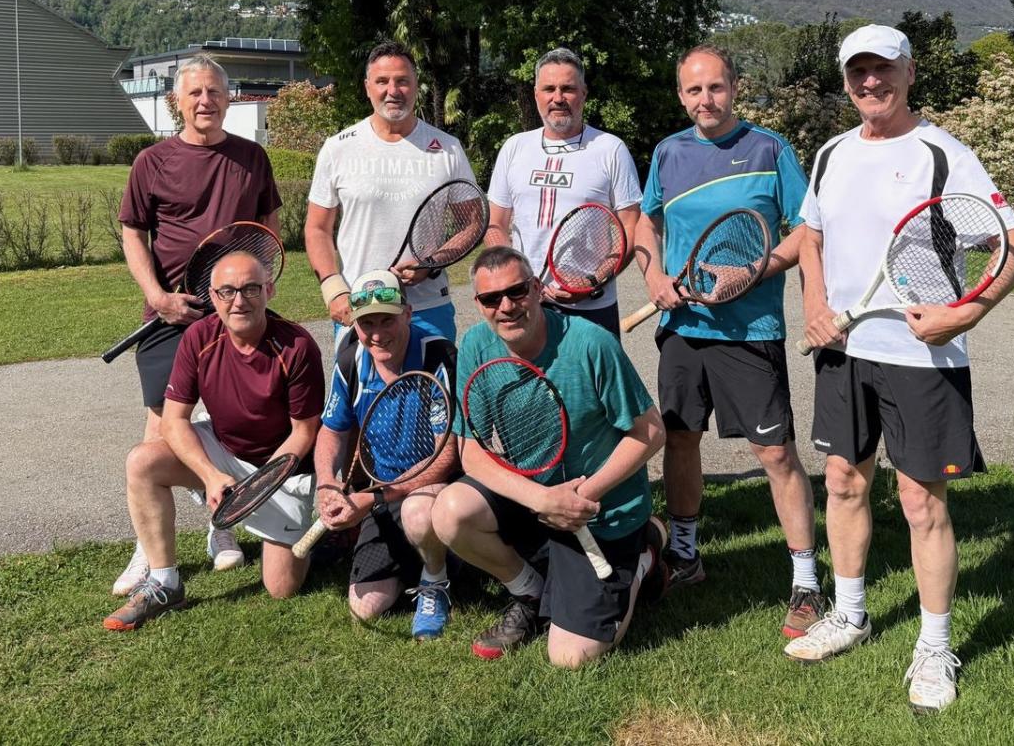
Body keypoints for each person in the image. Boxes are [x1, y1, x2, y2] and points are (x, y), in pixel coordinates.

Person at [784, 24, 1014, 713]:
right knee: (843, 482)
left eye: (884, 68)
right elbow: (811, 237)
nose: (872, 82)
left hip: (923, 358)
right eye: (858, 71)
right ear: (845, 80)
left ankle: (934, 645)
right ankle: (850, 613)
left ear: (910, 72)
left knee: (922, 502)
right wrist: (813, 302)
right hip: (844, 351)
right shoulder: (831, 152)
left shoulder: (943, 154)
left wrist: (966, 314)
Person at [631, 44, 824, 640]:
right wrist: (654, 277)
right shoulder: (668, 152)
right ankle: (686, 555)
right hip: (683, 330)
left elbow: (807, 230)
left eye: (715, 87)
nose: (705, 100)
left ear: (735, 87)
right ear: (680, 95)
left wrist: (755, 271)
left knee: (775, 455)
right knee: (680, 440)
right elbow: (646, 222)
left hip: (750, 331)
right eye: (694, 90)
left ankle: (806, 581)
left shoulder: (770, 149)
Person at [431, 247, 667, 667]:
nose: (507, 306)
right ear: (479, 304)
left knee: (571, 656)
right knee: (450, 512)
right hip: (536, 500)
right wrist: (542, 500)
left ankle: (642, 558)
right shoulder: (476, 345)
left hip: (598, 511)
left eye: (517, 291)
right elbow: (471, 453)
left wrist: (581, 497)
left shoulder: (591, 343)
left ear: (537, 289)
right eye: (491, 298)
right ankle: (528, 590)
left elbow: (650, 432)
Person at [113, 53, 283, 595]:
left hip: (236, 314)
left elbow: (269, 225)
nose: (205, 101)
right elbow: (133, 233)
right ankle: (148, 551)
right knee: (162, 432)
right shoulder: (152, 161)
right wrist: (158, 297)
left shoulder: (252, 158)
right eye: (195, 93)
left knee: (232, 424)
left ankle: (222, 526)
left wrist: (257, 286)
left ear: (229, 99)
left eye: (214, 92)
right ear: (177, 101)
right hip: (171, 318)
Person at [103, 250, 323, 630]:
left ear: (269, 290)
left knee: (282, 588)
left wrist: (256, 487)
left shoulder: (297, 346)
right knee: (142, 461)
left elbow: (304, 432)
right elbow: (174, 421)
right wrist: (210, 475)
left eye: (251, 289)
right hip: (223, 451)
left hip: (279, 471)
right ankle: (165, 583)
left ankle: (322, 538)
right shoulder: (198, 337)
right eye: (227, 291)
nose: (239, 301)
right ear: (213, 296)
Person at [313, 271, 461, 640]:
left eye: (387, 320)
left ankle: (435, 582)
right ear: (355, 324)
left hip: (437, 487)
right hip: (383, 493)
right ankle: (434, 559)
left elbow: (446, 456)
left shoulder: (438, 354)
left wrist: (372, 498)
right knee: (364, 606)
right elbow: (331, 430)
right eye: (367, 323)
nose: (377, 334)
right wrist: (327, 483)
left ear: (407, 314)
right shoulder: (350, 359)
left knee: (418, 512)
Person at [306, 41, 477, 341]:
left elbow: (473, 223)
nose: (393, 90)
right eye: (382, 81)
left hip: (428, 308)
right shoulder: (338, 148)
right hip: (360, 306)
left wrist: (431, 263)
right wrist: (333, 290)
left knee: (436, 374)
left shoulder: (447, 148)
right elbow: (317, 228)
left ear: (416, 86)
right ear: (367, 87)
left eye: (402, 81)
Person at [484, 48, 642, 335]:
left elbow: (631, 228)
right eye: (549, 89)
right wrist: (513, 282)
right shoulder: (515, 147)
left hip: (591, 308)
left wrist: (592, 282)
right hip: (523, 305)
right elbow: (495, 223)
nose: (558, 98)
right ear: (536, 95)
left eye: (567, 89)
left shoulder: (610, 149)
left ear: (583, 93)